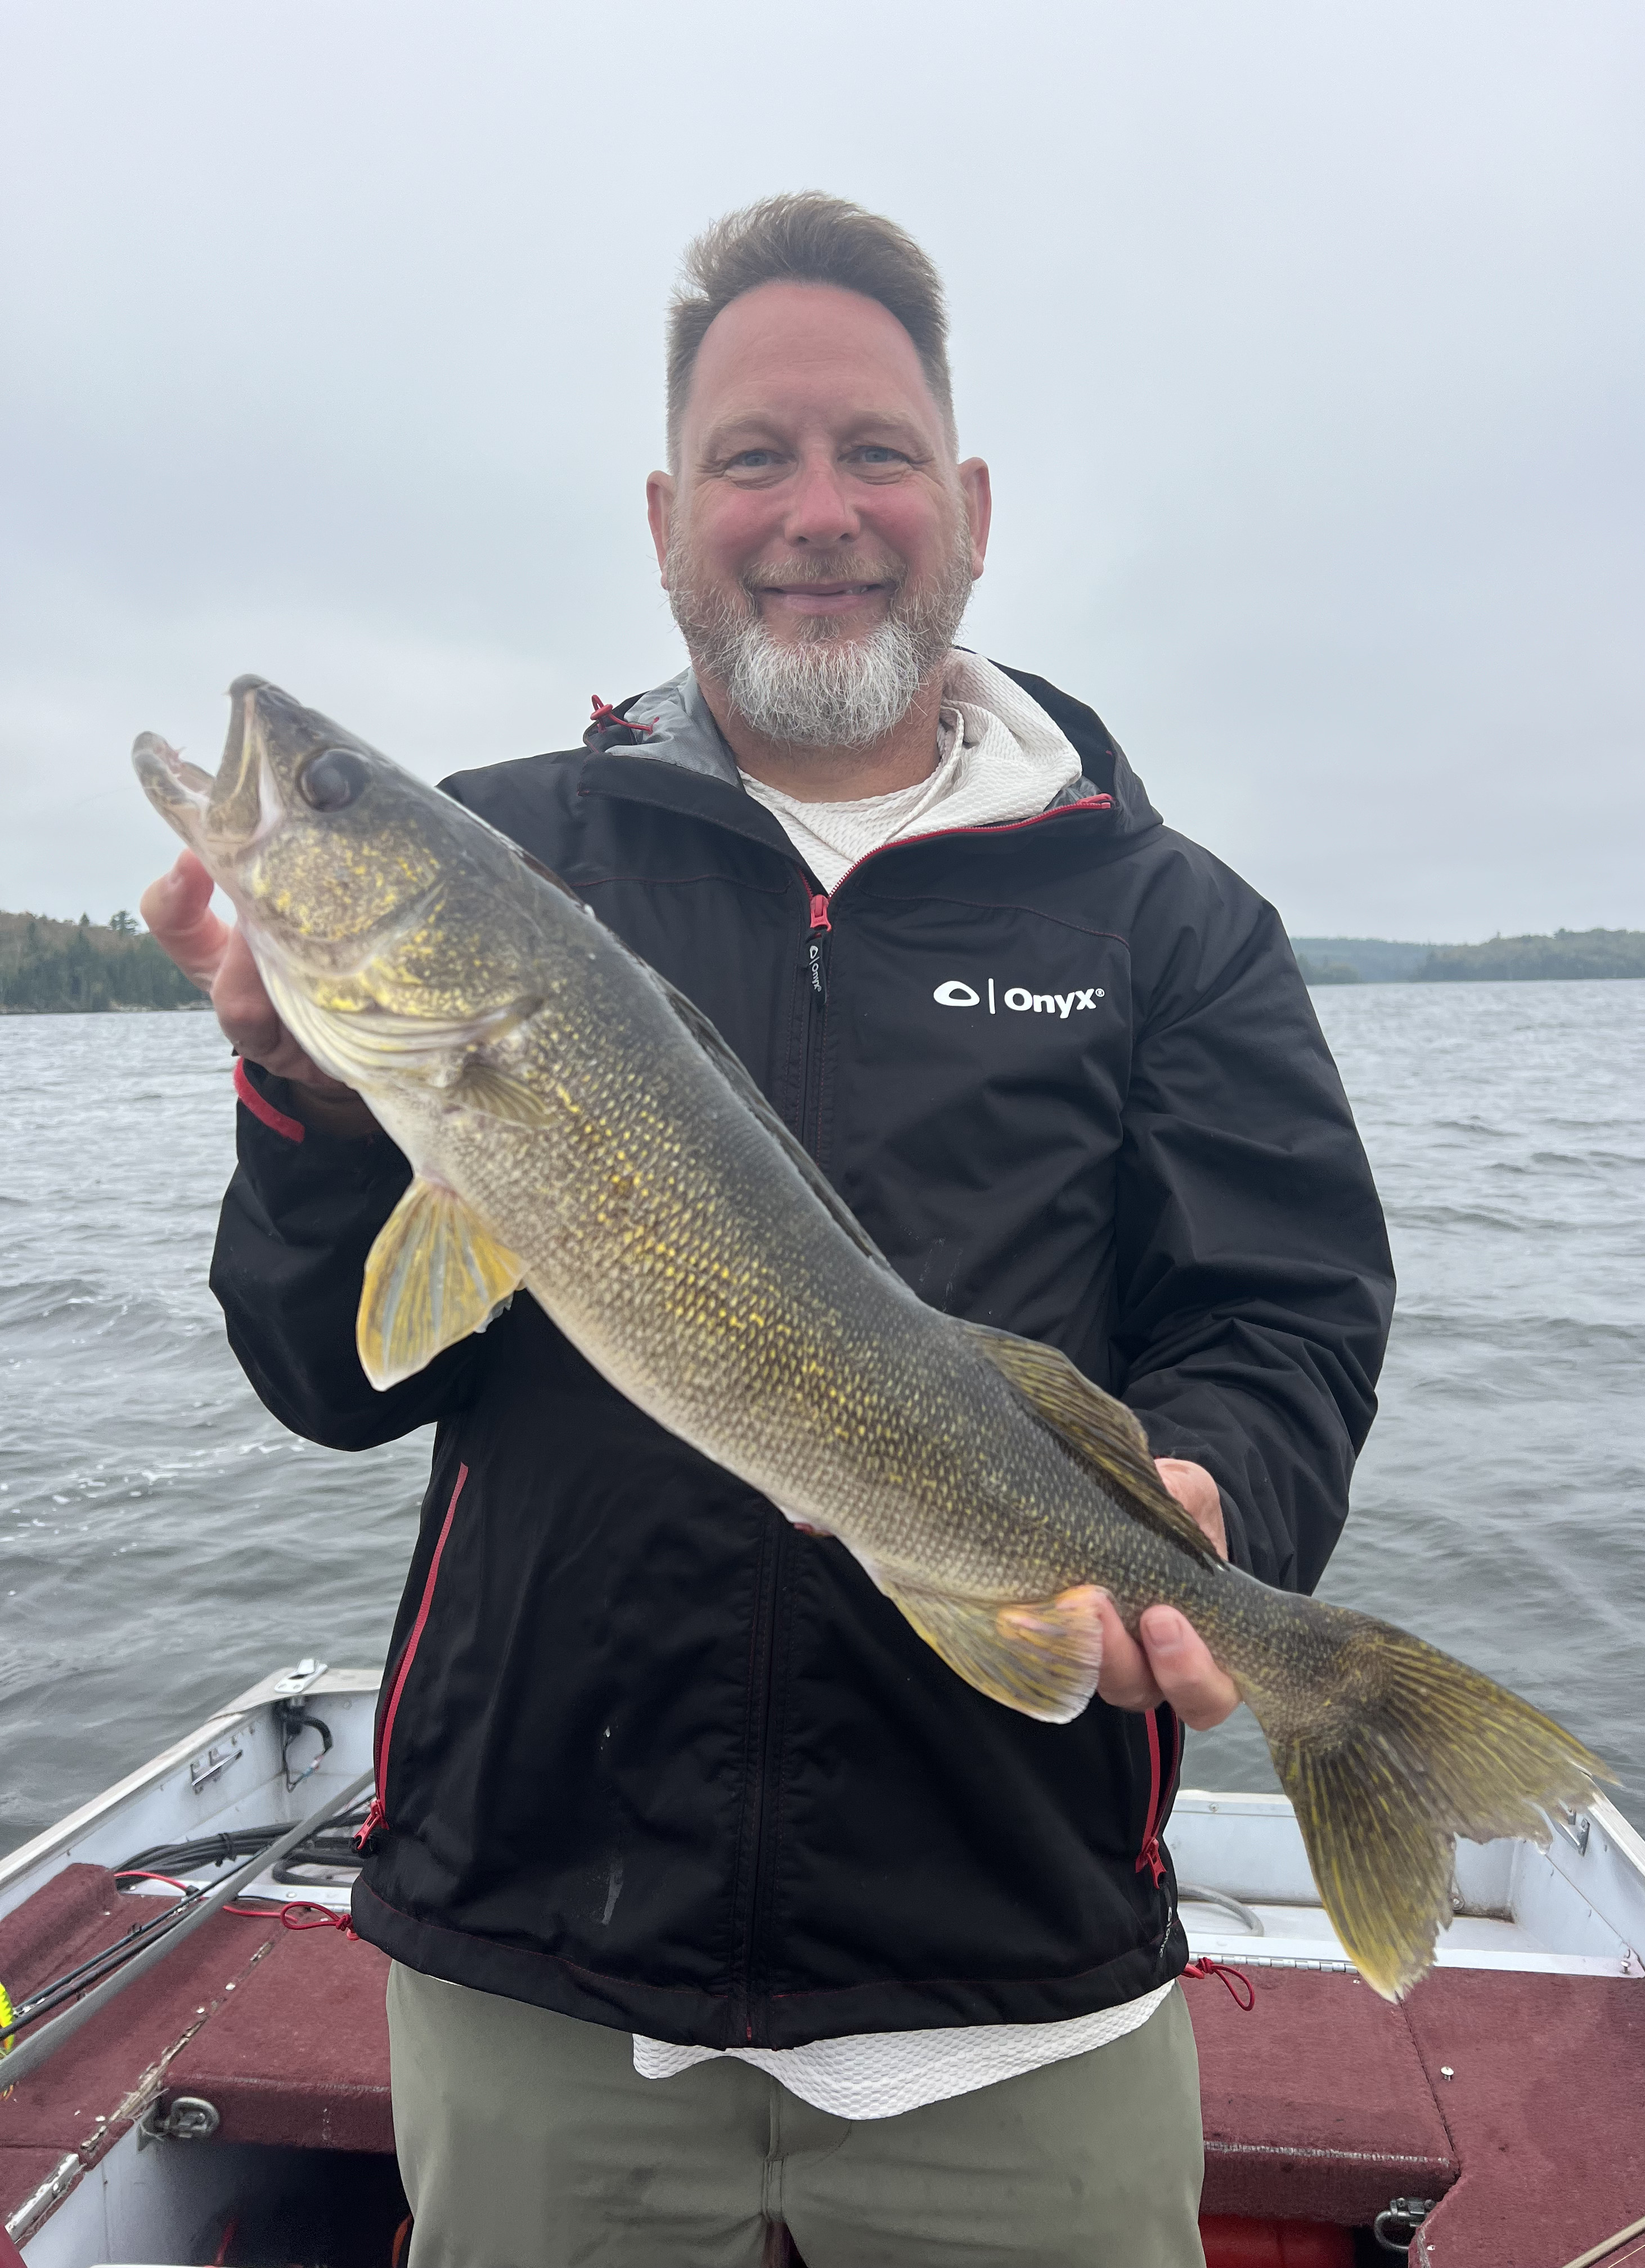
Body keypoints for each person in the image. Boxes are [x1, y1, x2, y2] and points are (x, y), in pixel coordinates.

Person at [142, 194, 1393, 2268]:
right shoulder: (522, 854)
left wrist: (1210, 1491)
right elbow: (329, 1379)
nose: (818, 512)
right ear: (664, 516)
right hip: (539, 1969)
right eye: (753, 459)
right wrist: (303, 1091)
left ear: (968, 505)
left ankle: (1367, 1728)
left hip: (1024, 1991)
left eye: (873, 453)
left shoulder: (1172, 923)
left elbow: (1286, 1319)